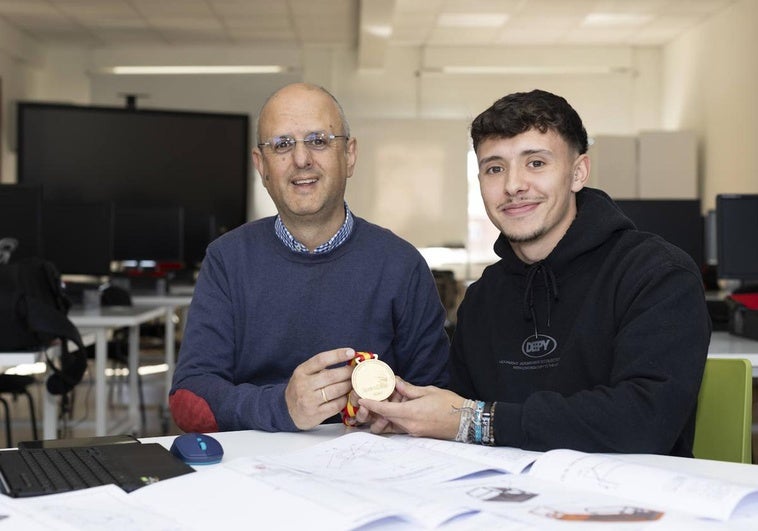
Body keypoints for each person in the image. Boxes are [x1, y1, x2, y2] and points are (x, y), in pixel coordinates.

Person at [358, 89, 711, 457]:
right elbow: (458, 415)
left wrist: (475, 420)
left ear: (578, 173)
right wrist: (407, 413)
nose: (513, 185)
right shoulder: (482, 299)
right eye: (495, 168)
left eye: (536, 163)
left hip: (633, 503)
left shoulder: (656, 274)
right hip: (505, 501)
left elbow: (644, 423)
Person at [169, 83, 450, 433]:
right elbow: (188, 399)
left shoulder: (401, 264)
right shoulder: (227, 259)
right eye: (282, 145)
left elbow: (440, 397)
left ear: (349, 155)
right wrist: (281, 407)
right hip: (254, 469)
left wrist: (398, 413)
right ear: (262, 166)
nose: (301, 160)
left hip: (369, 467)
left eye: (318, 140)